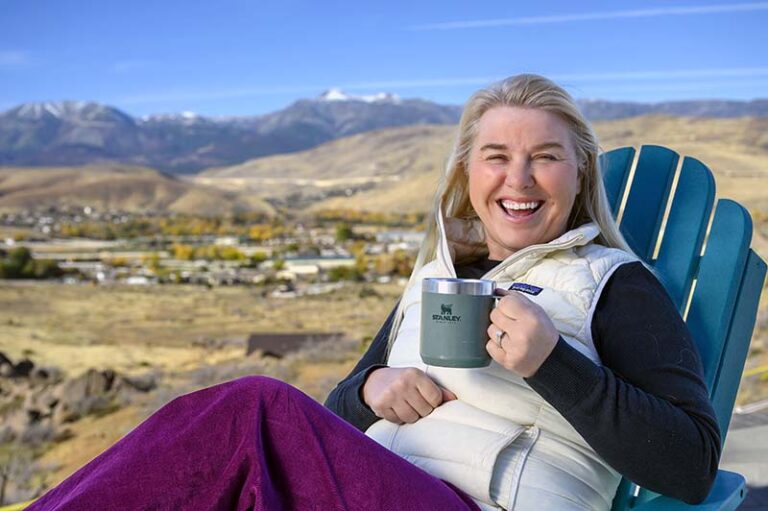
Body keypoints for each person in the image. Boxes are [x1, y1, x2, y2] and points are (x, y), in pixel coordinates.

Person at [25, 74, 719, 511]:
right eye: (497, 156)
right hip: (372, 483)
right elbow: (339, 409)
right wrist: (373, 388)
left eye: (544, 157)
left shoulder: (614, 284)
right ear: (467, 175)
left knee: (254, 407)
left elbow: (690, 466)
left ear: (579, 174)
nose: (520, 178)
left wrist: (553, 363)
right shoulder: (435, 281)